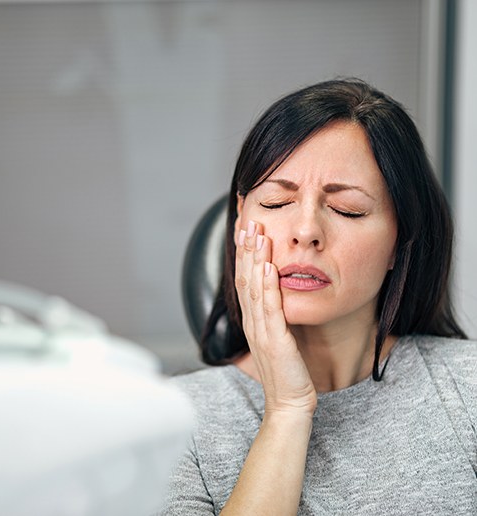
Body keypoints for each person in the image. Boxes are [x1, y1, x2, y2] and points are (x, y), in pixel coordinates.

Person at [159, 79, 477, 515]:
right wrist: (287, 411)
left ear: (399, 242)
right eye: (274, 203)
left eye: (348, 210)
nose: (305, 231)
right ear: (239, 223)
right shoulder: (171, 422)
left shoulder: (467, 387)